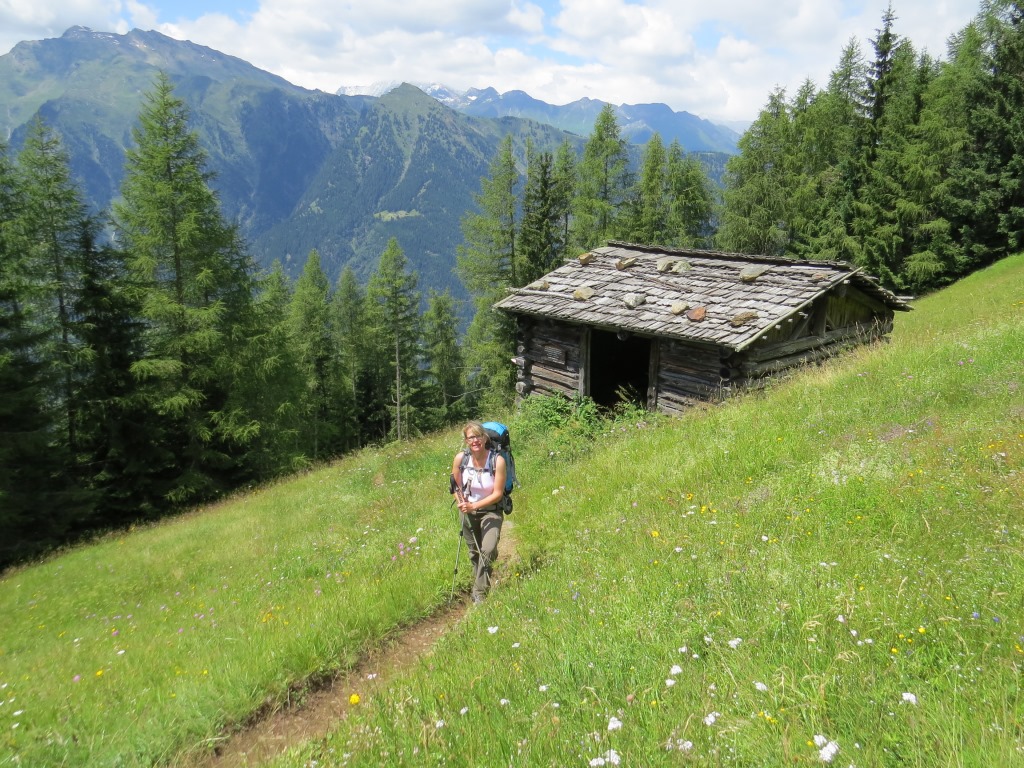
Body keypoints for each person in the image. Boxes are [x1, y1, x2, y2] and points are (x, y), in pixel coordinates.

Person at [451, 421, 508, 604]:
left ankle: (479, 593)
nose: (475, 440)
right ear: (466, 441)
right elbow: (455, 485)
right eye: (470, 437)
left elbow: (498, 494)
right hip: (467, 512)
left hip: (491, 511)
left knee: (488, 549)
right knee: (474, 552)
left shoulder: (497, 460)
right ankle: (480, 584)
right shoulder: (461, 459)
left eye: (478, 436)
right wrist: (461, 502)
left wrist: (473, 506)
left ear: (485, 438)